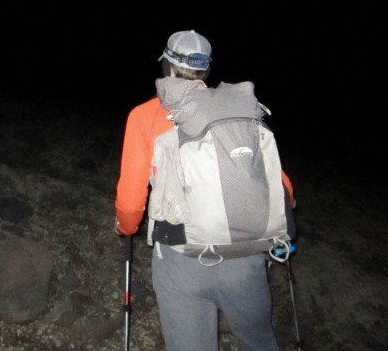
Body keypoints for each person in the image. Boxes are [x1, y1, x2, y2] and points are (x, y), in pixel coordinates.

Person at [114, 30, 295, 351]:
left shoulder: (144, 116)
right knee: (259, 343)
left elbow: (130, 203)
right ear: (206, 70)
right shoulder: (237, 110)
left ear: (167, 66)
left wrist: (126, 227)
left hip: (181, 257)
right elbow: (282, 188)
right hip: (246, 256)